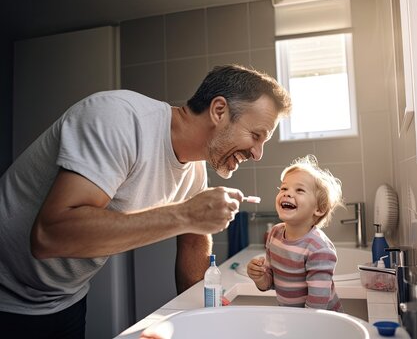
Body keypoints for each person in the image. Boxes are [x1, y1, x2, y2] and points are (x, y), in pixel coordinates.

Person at [0, 64, 291, 337]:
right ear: (218, 110)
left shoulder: (195, 172)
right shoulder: (119, 118)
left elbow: (194, 247)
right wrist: (185, 215)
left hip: (66, 299)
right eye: (255, 135)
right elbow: (49, 236)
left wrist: (209, 317)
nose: (257, 154)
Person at [247, 154, 344, 312]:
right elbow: (271, 282)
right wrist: (259, 277)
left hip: (323, 324)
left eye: (299, 190)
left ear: (318, 209)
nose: (287, 193)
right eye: (284, 188)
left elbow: (316, 307)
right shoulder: (275, 234)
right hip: (295, 319)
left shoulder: (319, 249)